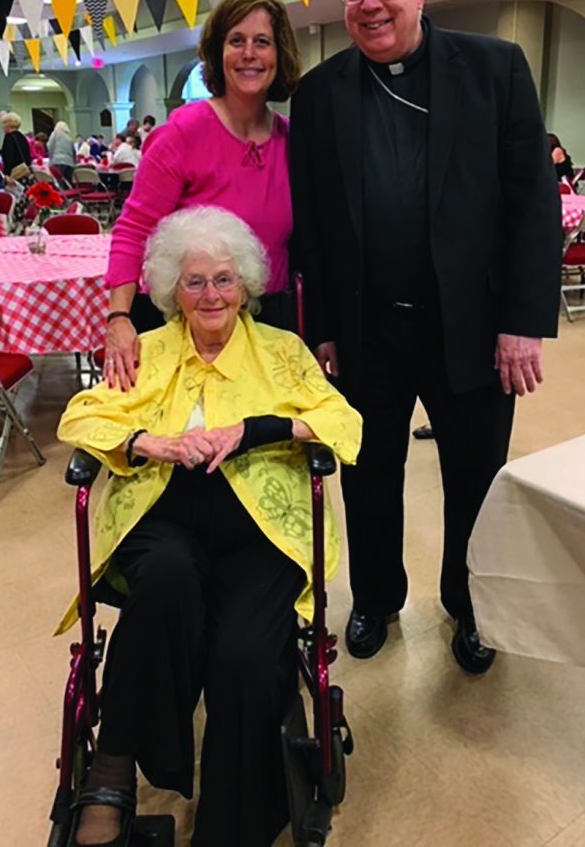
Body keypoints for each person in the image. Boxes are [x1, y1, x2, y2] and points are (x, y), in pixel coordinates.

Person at [290, 0, 563, 673]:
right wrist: (323, 333)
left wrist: (522, 323)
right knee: (368, 473)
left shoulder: (494, 68)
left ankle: (472, 607)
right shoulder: (318, 93)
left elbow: (531, 203)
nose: (370, 4)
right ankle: (376, 598)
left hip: (472, 327)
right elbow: (310, 225)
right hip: (366, 329)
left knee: (476, 477)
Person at [57, 206, 361, 847]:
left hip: (261, 524)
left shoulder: (284, 353)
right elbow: (82, 416)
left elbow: (345, 422)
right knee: (165, 583)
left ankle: (231, 827)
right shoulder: (147, 350)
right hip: (165, 513)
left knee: (245, 653)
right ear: (173, 290)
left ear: (247, 285)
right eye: (195, 282)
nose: (212, 294)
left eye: (224, 279)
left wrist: (259, 430)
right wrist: (147, 443)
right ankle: (113, 773)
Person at [104, 0, 301, 391]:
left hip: (268, 320)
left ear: (278, 55)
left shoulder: (292, 141)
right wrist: (119, 318)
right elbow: (133, 230)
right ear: (218, 52)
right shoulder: (182, 133)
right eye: (236, 41)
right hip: (191, 321)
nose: (249, 53)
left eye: (262, 42)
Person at [0, 112, 32, 176]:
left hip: (15, 172)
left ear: (7, 124)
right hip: (24, 170)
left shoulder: (9, 137)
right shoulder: (21, 136)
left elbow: (9, 157)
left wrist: (7, 174)